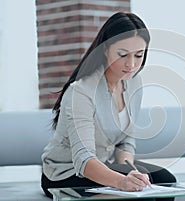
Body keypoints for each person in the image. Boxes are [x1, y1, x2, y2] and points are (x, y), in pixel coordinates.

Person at [41, 12, 176, 199]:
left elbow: (125, 142)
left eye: (139, 55)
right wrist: (122, 181)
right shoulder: (81, 91)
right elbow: (84, 161)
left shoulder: (134, 83)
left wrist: (131, 171)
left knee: (165, 181)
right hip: (67, 174)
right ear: (105, 49)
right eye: (122, 55)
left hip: (105, 165)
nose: (131, 64)